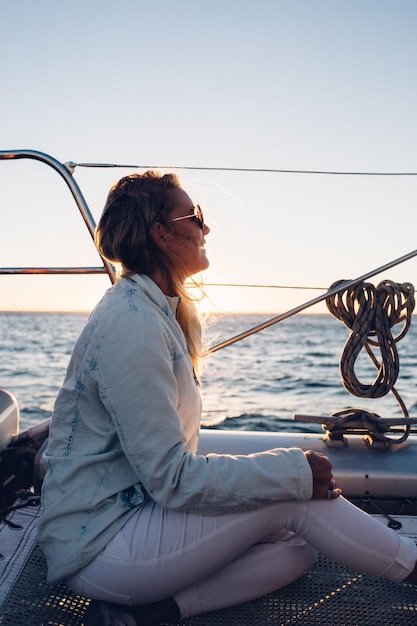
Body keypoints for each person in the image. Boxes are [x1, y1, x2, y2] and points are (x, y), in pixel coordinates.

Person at [38, 171, 417, 626]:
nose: (206, 228)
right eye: (195, 216)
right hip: (99, 545)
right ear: (161, 233)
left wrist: (286, 473)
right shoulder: (132, 325)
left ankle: (155, 614)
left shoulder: (153, 310)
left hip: (128, 516)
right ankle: (412, 565)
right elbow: (172, 479)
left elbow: (165, 466)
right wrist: (293, 471)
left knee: (297, 546)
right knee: (295, 498)